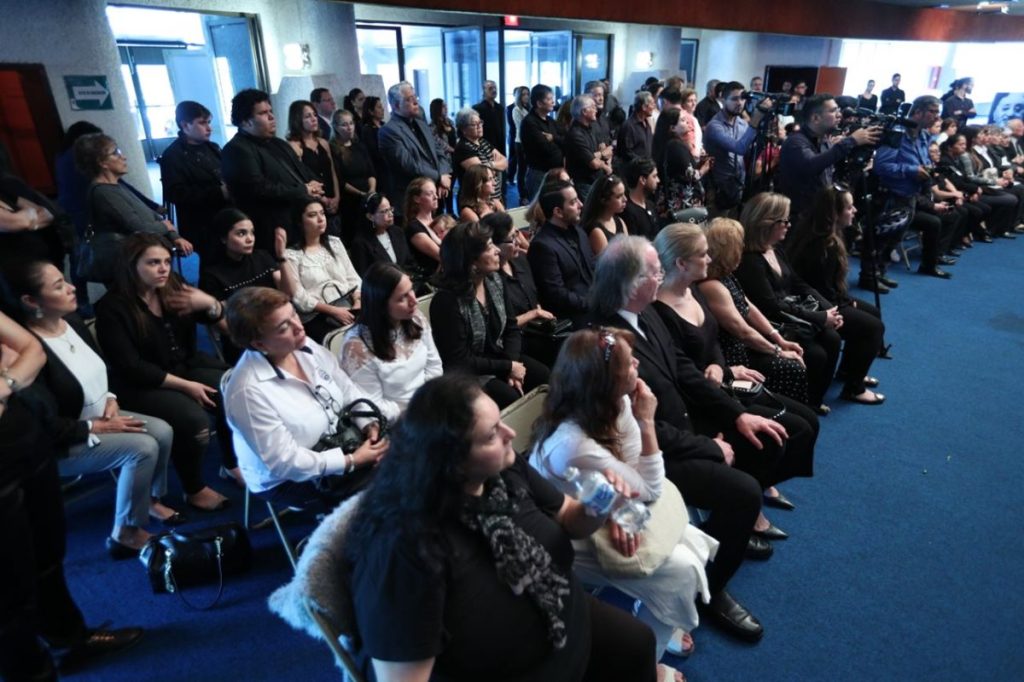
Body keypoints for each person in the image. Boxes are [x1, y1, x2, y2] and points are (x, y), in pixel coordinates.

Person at [345, 373, 658, 682]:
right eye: (491, 434)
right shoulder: (405, 550)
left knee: (638, 643)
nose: (510, 433)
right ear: (451, 461)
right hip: (518, 669)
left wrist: (595, 507)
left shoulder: (501, 469)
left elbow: (568, 517)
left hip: (561, 614)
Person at [589, 236, 813, 643]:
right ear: (630, 282)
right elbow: (635, 427)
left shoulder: (644, 312)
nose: (662, 275)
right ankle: (710, 590)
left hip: (683, 424)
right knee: (744, 493)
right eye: (655, 271)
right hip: (649, 455)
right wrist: (711, 446)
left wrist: (736, 414)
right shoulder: (603, 342)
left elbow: (683, 370)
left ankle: (720, 536)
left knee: (769, 437)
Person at [530, 327, 717, 671]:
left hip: (601, 509)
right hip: (566, 535)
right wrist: (647, 422)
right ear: (605, 383)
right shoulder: (572, 444)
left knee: (689, 539)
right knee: (683, 570)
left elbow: (635, 472)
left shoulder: (615, 403)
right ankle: (651, 661)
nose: (637, 366)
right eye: (629, 364)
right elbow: (650, 488)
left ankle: (659, 613)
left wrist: (620, 507)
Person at [0, 307, 144, 680]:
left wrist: (6, 384)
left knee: (48, 554)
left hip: (24, 438)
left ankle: (68, 638)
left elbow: (30, 350)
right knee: (10, 585)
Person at [650, 224, 819, 530]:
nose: (709, 258)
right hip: (700, 403)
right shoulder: (660, 309)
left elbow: (713, 340)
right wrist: (725, 374)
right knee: (784, 434)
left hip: (721, 386)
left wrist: (721, 367)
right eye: (703, 254)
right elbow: (683, 373)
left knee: (807, 423)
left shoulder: (693, 290)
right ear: (681, 263)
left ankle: (757, 487)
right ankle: (746, 506)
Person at [6, 260, 179, 556]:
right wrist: (95, 426)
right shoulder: (29, 355)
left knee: (162, 431)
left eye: (65, 280)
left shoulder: (72, 322)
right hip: (63, 439)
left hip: (97, 417)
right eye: (59, 286)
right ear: (31, 301)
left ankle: (147, 501)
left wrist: (110, 398)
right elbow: (45, 425)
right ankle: (124, 533)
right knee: (143, 448)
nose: (72, 287)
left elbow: (101, 370)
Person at [95, 232, 234, 509]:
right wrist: (186, 386)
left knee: (234, 388)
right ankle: (194, 489)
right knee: (193, 419)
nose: (163, 269)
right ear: (132, 266)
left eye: (167, 262)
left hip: (183, 365)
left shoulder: (173, 287)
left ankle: (232, 464)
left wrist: (210, 303)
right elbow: (132, 367)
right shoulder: (112, 307)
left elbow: (218, 320)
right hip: (140, 383)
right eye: (153, 263)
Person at [223, 286, 387, 508]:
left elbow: (347, 389)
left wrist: (367, 423)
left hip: (341, 440)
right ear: (259, 344)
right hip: (289, 479)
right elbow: (285, 462)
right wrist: (350, 461)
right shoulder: (246, 392)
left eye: (294, 315)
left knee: (414, 453)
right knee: (392, 485)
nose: (299, 327)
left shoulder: (303, 344)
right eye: (284, 327)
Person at [431, 221, 550, 408]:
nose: (497, 250)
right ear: (471, 261)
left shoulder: (494, 280)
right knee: (510, 398)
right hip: (468, 373)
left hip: (500, 357)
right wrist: (508, 367)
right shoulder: (446, 301)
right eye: (489, 247)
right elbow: (459, 360)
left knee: (544, 376)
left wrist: (512, 364)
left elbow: (511, 327)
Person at [786, 186, 886, 403]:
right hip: (814, 304)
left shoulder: (823, 233)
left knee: (873, 313)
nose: (855, 211)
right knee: (874, 327)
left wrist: (846, 301)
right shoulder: (823, 246)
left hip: (824, 296)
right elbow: (820, 289)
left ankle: (849, 371)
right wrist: (845, 303)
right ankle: (854, 388)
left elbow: (827, 285)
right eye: (849, 207)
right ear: (834, 214)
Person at [698, 218, 809, 406]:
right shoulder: (712, 286)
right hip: (733, 356)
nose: (743, 247)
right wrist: (779, 351)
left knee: (798, 355)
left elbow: (749, 308)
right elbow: (742, 331)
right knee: (791, 367)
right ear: (728, 249)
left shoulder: (726, 275)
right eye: (739, 243)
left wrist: (778, 339)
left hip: (744, 346)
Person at [75, 133, 192, 283]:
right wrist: (165, 226)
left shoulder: (116, 185)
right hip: (132, 269)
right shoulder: (103, 192)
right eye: (115, 153)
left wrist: (174, 236)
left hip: (144, 262)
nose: (123, 157)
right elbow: (139, 227)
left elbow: (152, 216)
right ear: (102, 162)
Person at [339, 262, 442, 421]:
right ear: (380, 305)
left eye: (411, 290)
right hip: (399, 420)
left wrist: (429, 400)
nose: (414, 301)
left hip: (430, 402)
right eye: (402, 297)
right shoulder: (357, 346)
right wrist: (417, 409)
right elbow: (373, 406)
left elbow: (434, 365)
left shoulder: (414, 318)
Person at [222, 88, 322, 251]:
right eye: (263, 113)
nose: (271, 117)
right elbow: (258, 189)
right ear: (246, 121)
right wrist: (303, 189)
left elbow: (301, 171)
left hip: (299, 223)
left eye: (270, 111)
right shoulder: (236, 149)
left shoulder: (278, 143)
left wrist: (315, 186)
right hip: (271, 230)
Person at [873, 95, 953, 279]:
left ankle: (880, 274)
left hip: (911, 196)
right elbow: (881, 166)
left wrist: (927, 170)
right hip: (891, 195)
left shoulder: (924, 135)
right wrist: (912, 170)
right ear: (917, 112)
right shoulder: (897, 133)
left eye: (938, 113)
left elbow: (923, 162)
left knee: (893, 241)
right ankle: (869, 278)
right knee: (881, 241)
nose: (937, 117)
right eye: (932, 112)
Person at [775, 93, 880, 222]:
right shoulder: (795, 142)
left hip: (820, 214)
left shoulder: (824, 141)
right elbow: (811, 166)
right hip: (801, 219)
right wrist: (851, 141)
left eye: (838, 110)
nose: (839, 115)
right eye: (833, 111)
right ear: (815, 118)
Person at [198, 207, 283, 363]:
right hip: (242, 342)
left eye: (252, 232)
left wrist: (282, 258)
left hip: (276, 326)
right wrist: (256, 338)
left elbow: (288, 294)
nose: (250, 239)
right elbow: (222, 325)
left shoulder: (262, 256)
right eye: (241, 234)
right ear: (223, 238)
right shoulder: (211, 275)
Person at [281, 198, 361, 343]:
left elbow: (353, 278)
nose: (320, 219)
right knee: (343, 340)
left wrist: (357, 302)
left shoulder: (334, 243)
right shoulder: (291, 255)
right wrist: (333, 311)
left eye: (322, 213)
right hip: (318, 315)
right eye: (312, 215)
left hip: (348, 304)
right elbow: (299, 298)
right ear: (299, 222)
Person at [159, 100, 228, 261]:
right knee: (214, 264)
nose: (209, 128)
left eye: (208, 122)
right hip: (201, 223)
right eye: (202, 123)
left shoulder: (213, 147)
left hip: (224, 215)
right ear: (185, 125)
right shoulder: (172, 155)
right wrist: (218, 192)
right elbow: (175, 193)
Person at [378, 81, 452, 216]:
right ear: (396, 105)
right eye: (409, 99)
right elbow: (410, 165)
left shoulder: (421, 123)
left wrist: (444, 175)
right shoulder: (388, 131)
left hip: (435, 193)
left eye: (415, 97)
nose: (415, 102)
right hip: (411, 200)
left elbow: (440, 152)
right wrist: (439, 177)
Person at [527, 181, 594, 327]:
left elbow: (591, 268)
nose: (581, 205)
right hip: (572, 320)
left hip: (593, 310)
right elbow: (556, 294)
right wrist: (591, 303)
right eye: (573, 202)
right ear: (558, 212)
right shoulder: (542, 246)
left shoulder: (579, 232)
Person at [704, 82, 771, 212]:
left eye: (742, 98)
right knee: (719, 224)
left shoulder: (741, 123)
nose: (740, 103)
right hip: (719, 189)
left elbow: (749, 151)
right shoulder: (715, 126)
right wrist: (755, 121)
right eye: (734, 99)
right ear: (723, 100)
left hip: (738, 187)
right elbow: (739, 148)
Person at [287, 100, 340, 230]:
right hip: (312, 201)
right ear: (297, 120)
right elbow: (299, 177)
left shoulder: (323, 142)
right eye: (308, 116)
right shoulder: (294, 146)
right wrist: (322, 198)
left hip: (332, 199)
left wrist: (337, 197)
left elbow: (332, 171)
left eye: (314, 115)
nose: (314, 119)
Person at [330, 108, 376, 246]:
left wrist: (371, 191)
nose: (349, 128)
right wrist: (361, 194)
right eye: (344, 125)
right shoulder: (333, 149)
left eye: (351, 123)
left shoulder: (360, 146)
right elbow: (340, 180)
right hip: (349, 201)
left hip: (368, 197)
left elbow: (371, 172)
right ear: (336, 127)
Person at [656, 109, 710, 220]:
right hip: (682, 206)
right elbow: (690, 174)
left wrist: (699, 163)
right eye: (683, 120)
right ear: (672, 128)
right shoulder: (675, 145)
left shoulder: (673, 144)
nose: (687, 123)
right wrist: (704, 169)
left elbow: (683, 168)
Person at [351, 192, 415, 277]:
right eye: (385, 211)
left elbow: (409, 262)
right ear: (370, 216)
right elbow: (364, 276)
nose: (391, 214)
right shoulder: (361, 243)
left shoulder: (397, 232)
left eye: (390, 209)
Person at [453, 107, 507, 204]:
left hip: (495, 198)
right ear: (463, 129)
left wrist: (490, 165)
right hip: (477, 202)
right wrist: (494, 165)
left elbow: (505, 162)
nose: (479, 126)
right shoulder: (462, 147)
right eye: (474, 124)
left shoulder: (483, 142)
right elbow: (482, 174)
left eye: (480, 122)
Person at [521, 84, 566, 200]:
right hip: (539, 173)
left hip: (556, 171)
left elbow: (567, 140)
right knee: (539, 207)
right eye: (549, 99)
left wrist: (554, 138)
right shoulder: (529, 122)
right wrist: (559, 143)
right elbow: (546, 149)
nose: (553, 102)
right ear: (539, 103)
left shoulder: (550, 120)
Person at [580, 173, 629, 256]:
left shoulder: (620, 221)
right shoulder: (596, 231)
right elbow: (607, 261)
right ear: (604, 200)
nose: (625, 199)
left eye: (624, 194)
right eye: (619, 196)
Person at [403, 177, 443, 278]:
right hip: (431, 278)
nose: (436, 197)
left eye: (435, 192)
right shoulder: (414, 228)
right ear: (417, 199)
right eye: (430, 194)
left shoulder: (439, 220)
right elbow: (441, 255)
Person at [622, 158, 661, 240]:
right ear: (643, 180)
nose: (658, 180)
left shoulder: (650, 205)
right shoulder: (627, 211)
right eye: (654, 176)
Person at [616, 90, 655, 170]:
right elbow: (627, 153)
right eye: (652, 104)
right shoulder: (629, 126)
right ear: (644, 107)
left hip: (646, 170)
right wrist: (643, 164)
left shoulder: (647, 124)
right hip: (633, 171)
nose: (654, 106)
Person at [360, 96, 390, 199]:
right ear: (371, 111)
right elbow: (373, 152)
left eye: (382, 106)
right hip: (379, 170)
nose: (382, 109)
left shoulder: (384, 125)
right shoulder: (367, 129)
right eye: (379, 107)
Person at [473, 80, 507, 160]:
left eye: (495, 88)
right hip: (485, 147)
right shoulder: (477, 108)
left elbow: (502, 129)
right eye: (490, 88)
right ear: (484, 91)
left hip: (499, 147)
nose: (494, 90)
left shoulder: (500, 108)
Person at [510, 85, 531, 191]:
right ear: (519, 96)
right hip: (520, 142)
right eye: (523, 94)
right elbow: (521, 126)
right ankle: (522, 193)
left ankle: (528, 190)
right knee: (522, 168)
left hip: (530, 142)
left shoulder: (529, 108)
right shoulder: (516, 109)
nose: (526, 96)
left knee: (529, 169)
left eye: (527, 94)